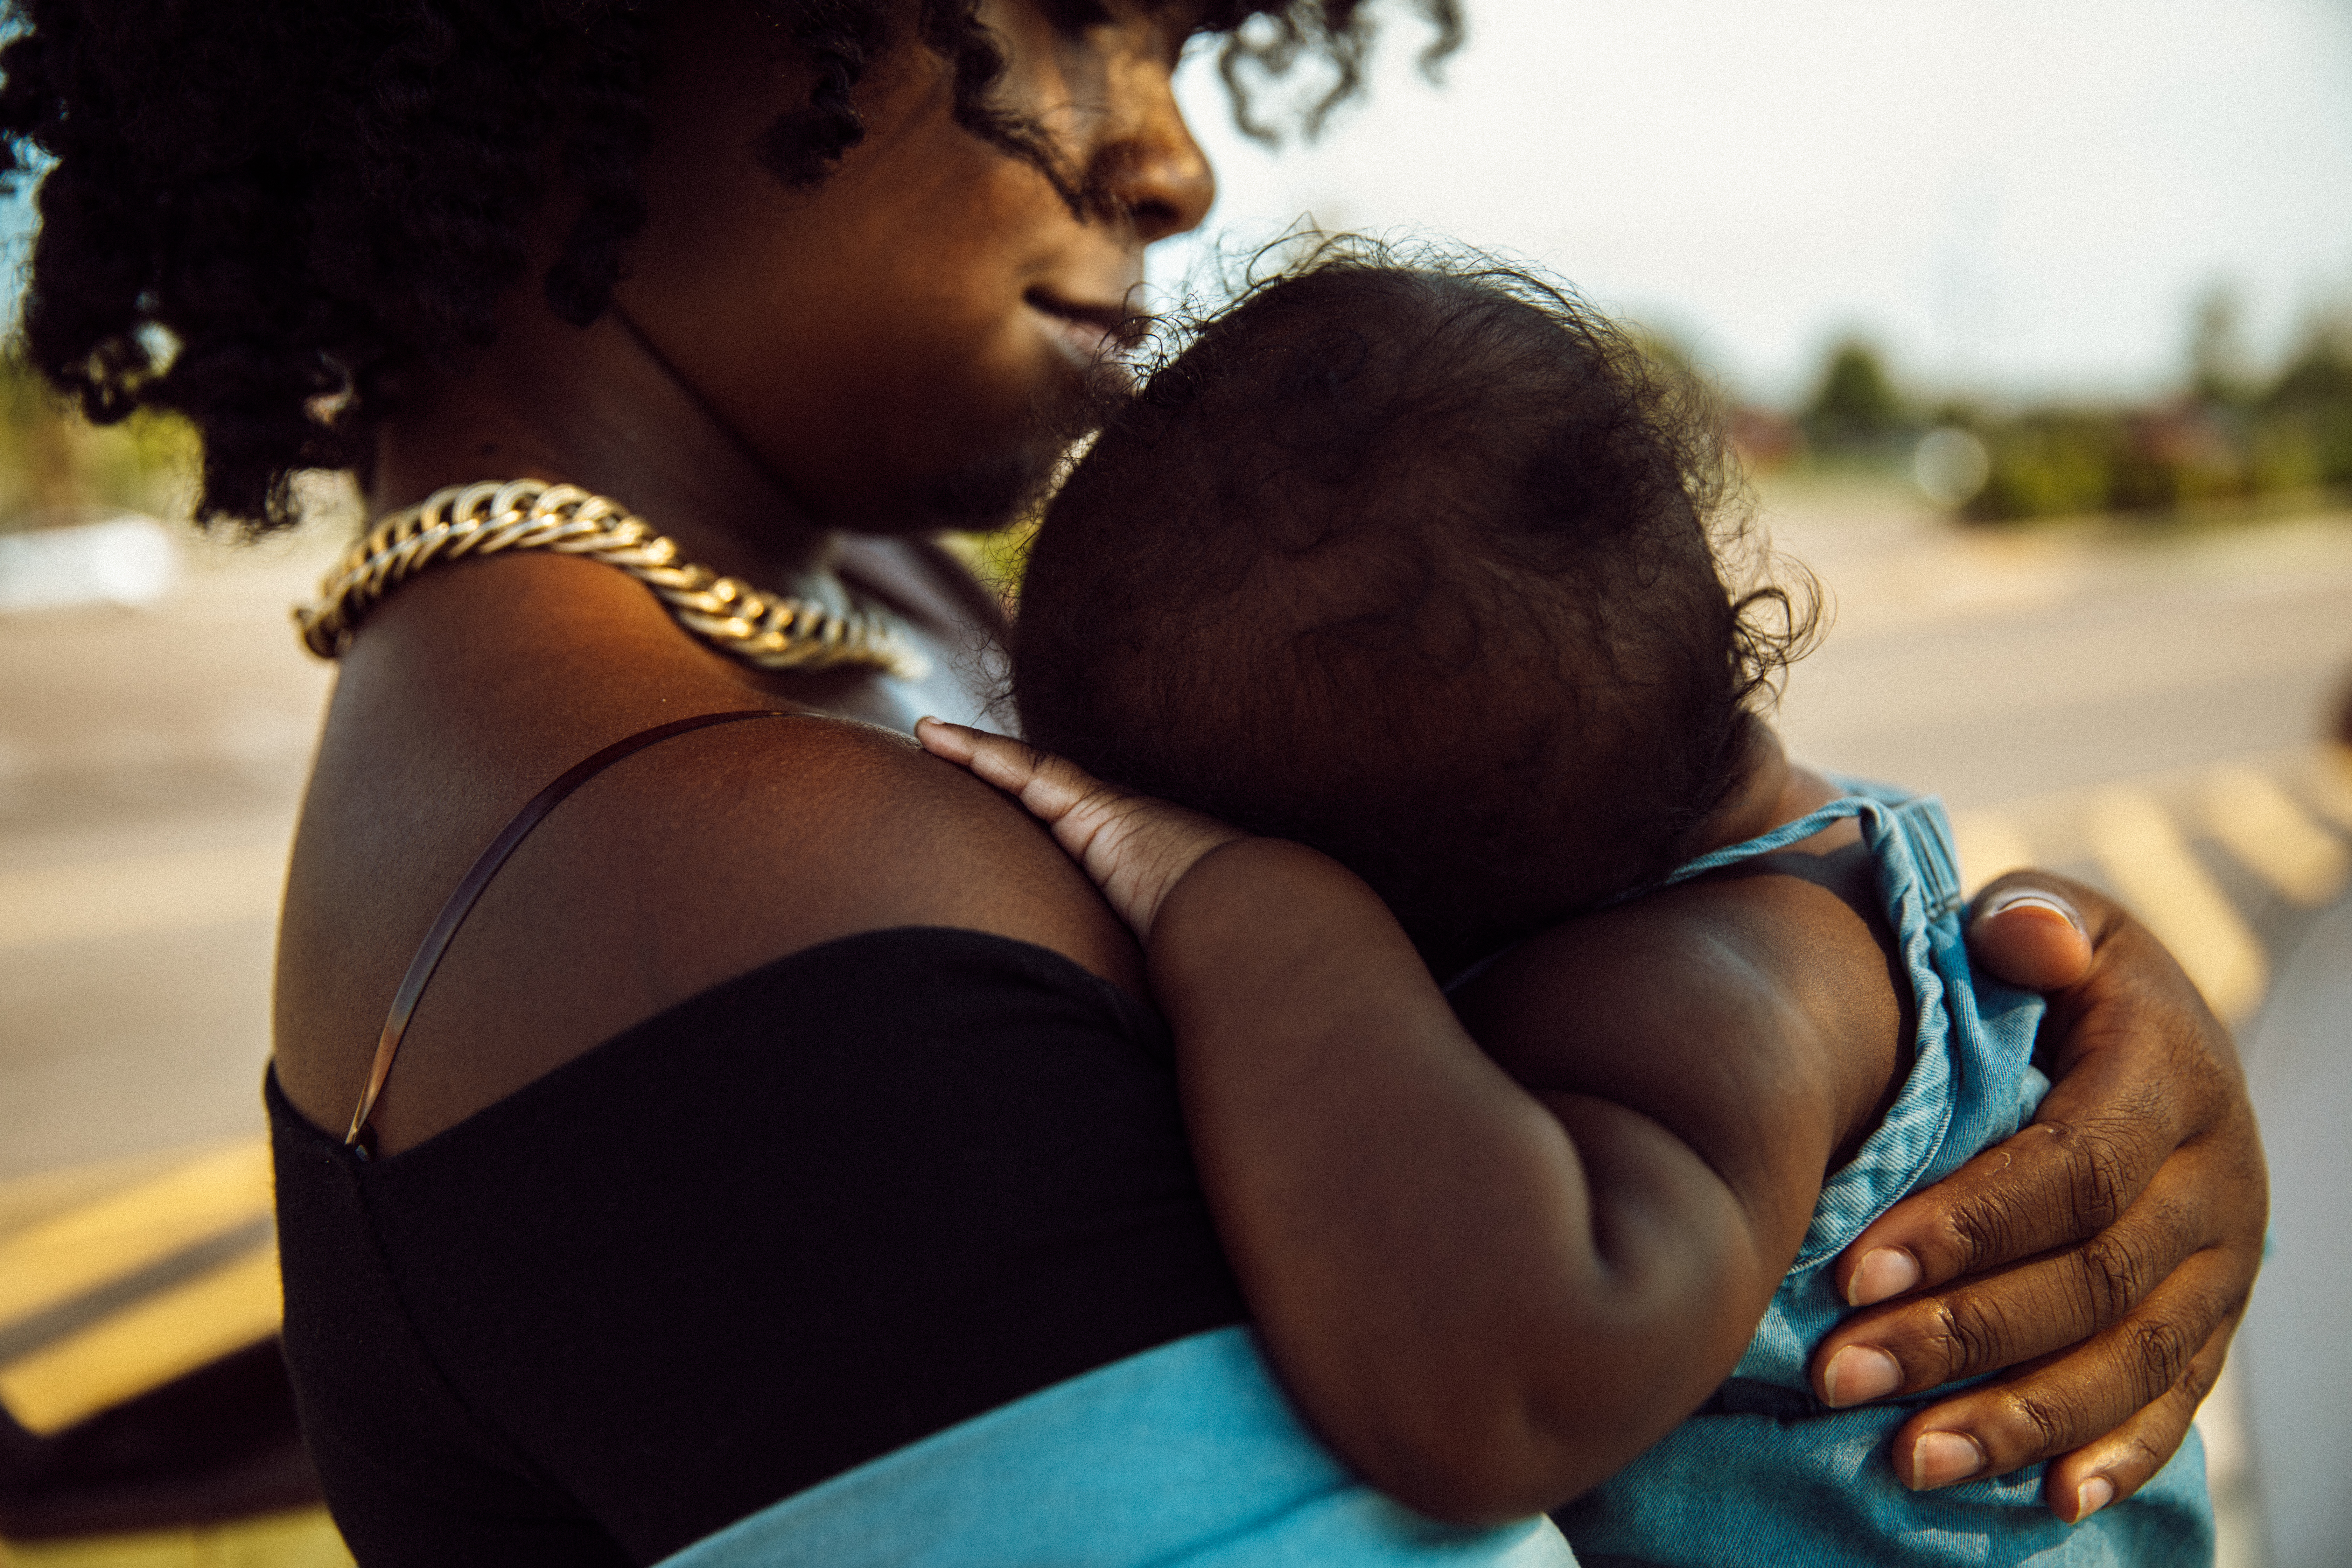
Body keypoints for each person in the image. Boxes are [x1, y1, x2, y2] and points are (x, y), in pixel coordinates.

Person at [0, 2, 2264, 1562]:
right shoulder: (748, 903)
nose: (1173, 158)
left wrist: (1994, 1028)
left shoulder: (836, 664)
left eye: (1191, 45)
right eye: (1076, 8)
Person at [917, 251, 2217, 1561]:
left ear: (1397, 923)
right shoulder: (1793, 863)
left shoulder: (1710, 985)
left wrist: (1249, 913)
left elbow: (1516, 1390)